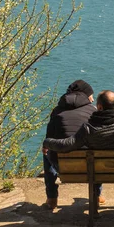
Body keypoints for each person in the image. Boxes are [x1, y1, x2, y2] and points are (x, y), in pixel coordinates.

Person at [43, 90, 114, 209]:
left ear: (99, 107)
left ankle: (91, 197)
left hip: (95, 172)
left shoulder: (88, 129)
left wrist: (47, 142)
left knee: (94, 164)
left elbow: (67, 145)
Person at [42, 80, 97, 210]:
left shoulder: (57, 111)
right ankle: (97, 196)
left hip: (64, 167)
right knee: (96, 152)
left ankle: (51, 198)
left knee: (46, 152)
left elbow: (49, 138)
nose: (93, 99)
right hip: (90, 167)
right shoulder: (93, 111)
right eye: (91, 95)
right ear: (85, 95)